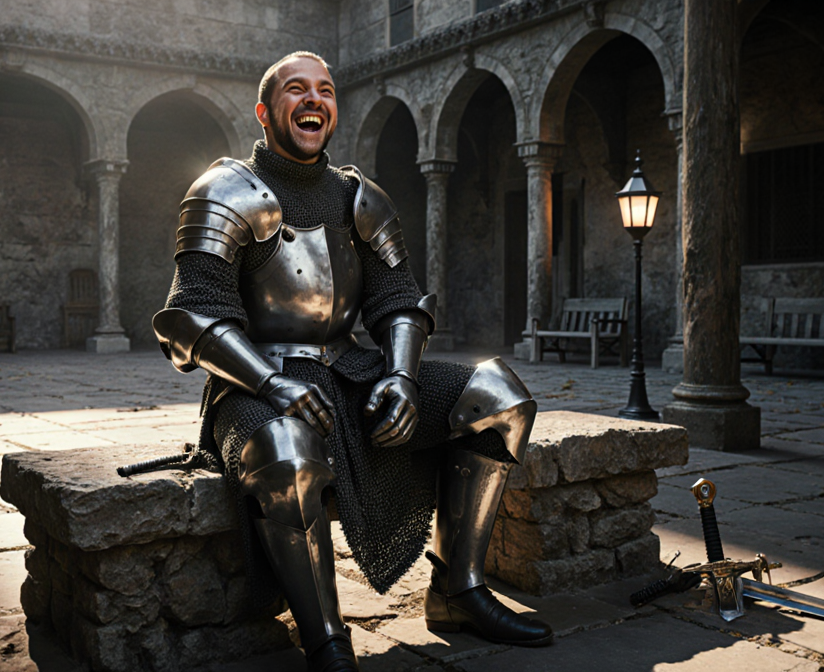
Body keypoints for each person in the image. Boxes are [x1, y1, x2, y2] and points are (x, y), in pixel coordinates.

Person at [152, 51, 552, 672]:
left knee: (499, 396)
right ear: (264, 111)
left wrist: (400, 374)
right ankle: (327, 638)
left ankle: (458, 589)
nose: (314, 100)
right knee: (286, 452)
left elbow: (398, 298)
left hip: (353, 370)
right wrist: (270, 382)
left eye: (325, 90)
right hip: (255, 383)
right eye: (296, 90)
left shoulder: (359, 196)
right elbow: (191, 316)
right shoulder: (222, 191)